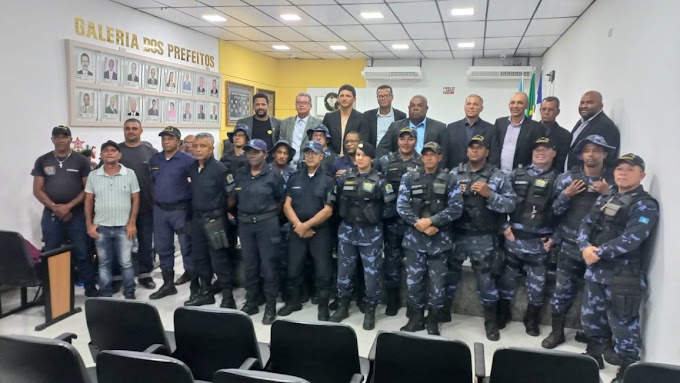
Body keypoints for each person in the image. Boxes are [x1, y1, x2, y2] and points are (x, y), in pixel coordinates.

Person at [578, 153, 658, 382]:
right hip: (596, 271)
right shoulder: (608, 196)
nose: (622, 172)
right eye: (619, 168)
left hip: (623, 277)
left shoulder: (645, 205)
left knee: (623, 325)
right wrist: (585, 246)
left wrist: (598, 253)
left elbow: (633, 238)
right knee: (591, 318)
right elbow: (586, 223)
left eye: (630, 169)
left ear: (641, 175)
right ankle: (593, 355)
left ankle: (627, 371)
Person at [542, 134, 615, 349]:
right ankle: (557, 332)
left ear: (605, 153)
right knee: (561, 292)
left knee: (596, 298)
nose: (591, 154)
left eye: (596, 150)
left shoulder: (612, 181)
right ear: (581, 155)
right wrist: (567, 194)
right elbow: (553, 210)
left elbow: (622, 213)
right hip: (570, 246)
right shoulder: (567, 178)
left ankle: (594, 342)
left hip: (598, 250)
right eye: (587, 150)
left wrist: (608, 193)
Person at [446, 135, 516, 341]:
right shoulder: (454, 174)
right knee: (449, 276)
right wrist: (454, 195)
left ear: (487, 151)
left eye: (479, 147)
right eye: (471, 147)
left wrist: (489, 195)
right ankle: (442, 310)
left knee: (486, 281)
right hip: (457, 234)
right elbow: (440, 201)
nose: (474, 151)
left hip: (484, 236)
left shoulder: (498, 176)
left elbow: (510, 205)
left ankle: (491, 321)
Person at [397, 142, 463, 335]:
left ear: (440, 157)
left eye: (433, 154)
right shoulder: (409, 177)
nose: (429, 157)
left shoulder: (450, 178)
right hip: (415, 240)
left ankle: (433, 320)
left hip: (439, 241)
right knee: (414, 282)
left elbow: (456, 208)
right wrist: (420, 223)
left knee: (437, 284)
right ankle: (416, 319)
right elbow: (401, 206)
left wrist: (432, 221)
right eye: (425, 154)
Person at [498, 137, 560, 337]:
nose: (540, 152)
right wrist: (504, 227)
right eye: (537, 149)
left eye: (545, 149)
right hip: (514, 237)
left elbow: (566, 211)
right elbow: (501, 201)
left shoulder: (559, 179)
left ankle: (531, 318)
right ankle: (503, 311)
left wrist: (556, 237)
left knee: (538, 284)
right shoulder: (517, 174)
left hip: (539, 243)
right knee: (507, 279)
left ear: (554, 153)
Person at [330, 142, 394, 330]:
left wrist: (373, 217)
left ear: (371, 158)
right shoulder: (345, 177)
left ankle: (370, 309)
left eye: (364, 155)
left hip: (370, 233)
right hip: (347, 230)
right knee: (344, 272)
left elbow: (390, 207)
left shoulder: (381, 180)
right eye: (357, 154)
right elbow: (333, 197)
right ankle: (343, 306)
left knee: (371, 274)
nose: (359, 158)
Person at [32, 125, 97, 297]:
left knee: (83, 251)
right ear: (52, 139)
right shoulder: (43, 160)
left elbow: (87, 188)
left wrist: (68, 207)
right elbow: (38, 190)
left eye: (64, 136)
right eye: (57, 136)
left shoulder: (81, 161)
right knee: (51, 252)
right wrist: (55, 207)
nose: (61, 139)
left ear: (70, 139)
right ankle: (49, 292)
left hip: (76, 214)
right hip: (51, 215)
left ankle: (90, 288)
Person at [278, 141, 336, 320]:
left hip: (320, 232)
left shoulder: (328, 179)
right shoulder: (295, 177)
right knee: (293, 269)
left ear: (321, 156)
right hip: (297, 231)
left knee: (323, 270)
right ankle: (293, 302)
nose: (310, 156)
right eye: (307, 153)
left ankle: (323, 307)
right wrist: (299, 226)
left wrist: (307, 225)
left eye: (314, 153)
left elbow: (328, 210)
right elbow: (287, 205)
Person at [230, 139, 285, 325]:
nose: (251, 155)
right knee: (250, 265)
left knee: (269, 267)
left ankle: (270, 305)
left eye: (256, 152)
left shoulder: (274, 175)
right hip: (245, 225)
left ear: (265, 154)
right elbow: (235, 199)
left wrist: (266, 216)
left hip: (267, 224)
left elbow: (280, 200)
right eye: (249, 151)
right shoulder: (240, 174)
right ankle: (252, 300)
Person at [184, 133, 235, 308]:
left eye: (203, 146)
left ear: (212, 149)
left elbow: (232, 195)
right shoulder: (191, 168)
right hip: (197, 220)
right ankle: (205, 293)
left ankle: (228, 297)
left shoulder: (221, 169)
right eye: (195, 145)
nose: (198, 149)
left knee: (219, 259)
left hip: (216, 220)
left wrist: (222, 211)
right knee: (200, 258)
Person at [375, 127, 422, 316]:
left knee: (414, 264)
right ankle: (392, 300)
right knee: (392, 262)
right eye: (402, 139)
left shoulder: (421, 162)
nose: (405, 142)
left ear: (415, 141)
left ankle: (413, 303)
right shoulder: (385, 161)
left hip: (413, 223)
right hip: (391, 220)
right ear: (397, 141)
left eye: (410, 139)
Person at [84, 140, 139, 299]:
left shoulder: (130, 174)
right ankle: (106, 293)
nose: (109, 153)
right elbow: (88, 201)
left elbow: (136, 199)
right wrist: (89, 224)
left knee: (126, 262)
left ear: (119, 155)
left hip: (124, 227)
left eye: (113, 150)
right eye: (106, 150)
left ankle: (129, 293)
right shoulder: (94, 175)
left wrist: (132, 222)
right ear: (101, 155)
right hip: (101, 228)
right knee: (104, 264)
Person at [148, 127, 195, 300]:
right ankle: (168, 284)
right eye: (164, 138)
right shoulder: (155, 159)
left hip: (181, 210)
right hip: (160, 210)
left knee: (186, 247)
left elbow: (194, 184)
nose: (166, 141)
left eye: (170, 138)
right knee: (163, 248)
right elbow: (152, 183)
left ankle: (193, 282)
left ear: (178, 142)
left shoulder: (188, 160)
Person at [118, 119, 158, 289]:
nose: (131, 131)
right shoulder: (116, 150)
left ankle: (145, 275)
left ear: (141, 131)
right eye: (127, 129)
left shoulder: (151, 152)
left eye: (134, 128)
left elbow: (159, 177)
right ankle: (119, 277)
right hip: (120, 207)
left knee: (145, 242)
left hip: (146, 206)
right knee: (120, 244)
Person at [491, 92, 545, 172]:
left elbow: (537, 152)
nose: (515, 106)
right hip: (498, 174)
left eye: (520, 103)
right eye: (512, 103)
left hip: (522, 175)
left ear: (527, 105)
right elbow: (494, 149)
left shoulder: (536, 127)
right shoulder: (499, 123)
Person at [376, 95, 446, 158]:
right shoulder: (396, 126)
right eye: (412, 106)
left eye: (420, 106)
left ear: (426, 108)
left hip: (428, 168)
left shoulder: (439, 128)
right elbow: (382, 149)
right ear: (408, 108)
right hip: (402, 167)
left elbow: (445, 153)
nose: (415, 108)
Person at [567, 91, 621, 169]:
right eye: (582, 103)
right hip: (573, 175)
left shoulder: (606, 126)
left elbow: (608, 159)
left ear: (601, 105)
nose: (584, 106)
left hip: (588, 178)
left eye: (590, 102)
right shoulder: (582, 121)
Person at [442, 94, 496, 170]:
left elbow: (493, 156)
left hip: (481, 176)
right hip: (454, 174)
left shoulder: (491, 129)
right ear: (464, 107)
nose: (471, 107)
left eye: (475, 104)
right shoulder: (451, 128)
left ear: (481, 108)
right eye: (468, 104)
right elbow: (444, 154)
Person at [275, 92, 322, 166]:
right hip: (287, 164)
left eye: (305, 103)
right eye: (298, 102)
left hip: (308, 164)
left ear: (310, 106)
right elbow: (281, 143)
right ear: (295, 105)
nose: (301, 105)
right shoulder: (285, 123)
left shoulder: (318, 123)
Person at [322, 84, 368, 154]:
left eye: (348, 96)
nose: (344, 98)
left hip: (353, 159)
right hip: (331, 158)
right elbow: (325, 140)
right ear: (338, 98)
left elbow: (363, 141)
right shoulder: (329, 117)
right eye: (342, 95)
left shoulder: (361, 118)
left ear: (354, 99)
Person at [539, 96, 571, 172]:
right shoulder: (530, 129)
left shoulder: (565, 135)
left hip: (554, 176)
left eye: (550, 109)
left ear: (557, 112)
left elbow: (562, 161)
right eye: (544, 109)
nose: (546, 112)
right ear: (540, 110)